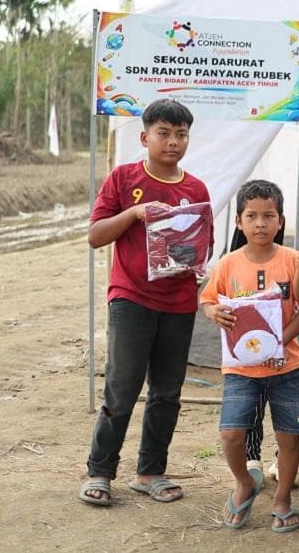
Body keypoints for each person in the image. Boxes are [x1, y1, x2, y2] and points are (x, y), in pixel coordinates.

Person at [79, 99, 211, 507]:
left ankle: (150, 471)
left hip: (178, 302)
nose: (173, 142)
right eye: (164, 133)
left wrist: (197, 267)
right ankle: (100, 471)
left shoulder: (196, 189)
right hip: (131, 297)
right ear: (144, 137)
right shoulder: (123, 178)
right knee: (121, 389)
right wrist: (135, 213)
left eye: (181, 134)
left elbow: (201, 245)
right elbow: (96, 235)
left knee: (167, 392)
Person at [199, 180, 299, 530]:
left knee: (288, 436)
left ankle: (282, 497)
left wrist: (280, 341)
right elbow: (207, 300)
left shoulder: (293, 260)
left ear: (281, 220)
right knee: (231, 434)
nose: (260, 223)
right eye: (252, 216)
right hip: (241, 368)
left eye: (269, 215)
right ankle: (244, 482)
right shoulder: (227, 264)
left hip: (287, 366)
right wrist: (213, 313)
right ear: (238, 222)